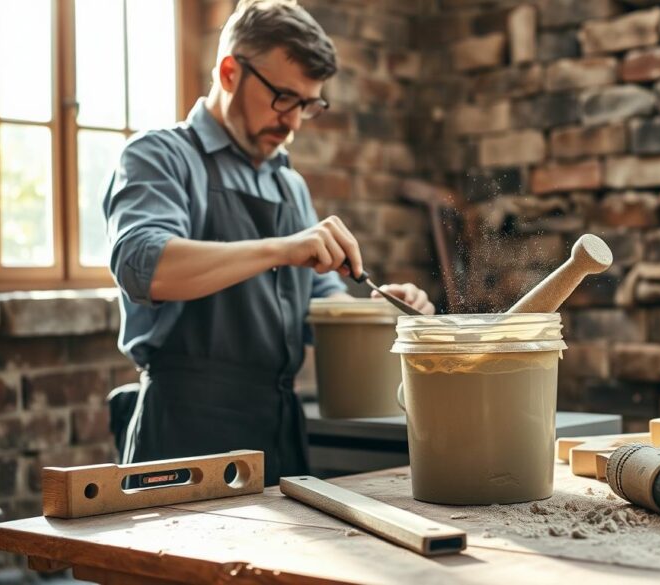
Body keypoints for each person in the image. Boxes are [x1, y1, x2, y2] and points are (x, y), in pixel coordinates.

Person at [102, 0, 434, 485]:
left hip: (277, 432)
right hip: (183, 437)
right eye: (284, 97)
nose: (295, 121)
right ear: (231, 71)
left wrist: (380, 311)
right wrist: (283, 247)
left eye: (308, 104)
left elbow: (320, 308)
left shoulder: (288, 185)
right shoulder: (159, 155)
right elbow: (144, 267)